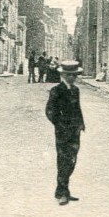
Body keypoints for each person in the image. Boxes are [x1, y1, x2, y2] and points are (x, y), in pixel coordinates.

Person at [44, 60, 85, 205]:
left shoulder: (75, 90)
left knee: (72, 160)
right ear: (63, 75)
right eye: (69, 75)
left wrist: (81, 124)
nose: (72, 78)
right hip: (62, 133)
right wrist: (60, 125)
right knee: (63, 161)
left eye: (74, 75)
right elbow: (50, 111)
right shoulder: (57, 91)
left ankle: (62, 190)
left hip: (75, 132)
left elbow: (78, 109)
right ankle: (62, 192)